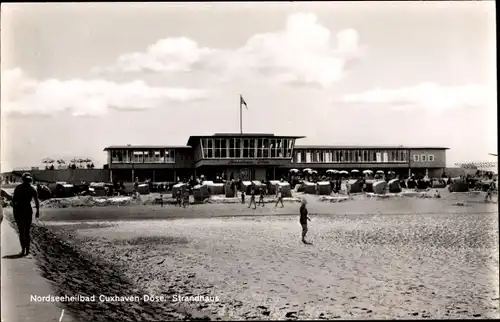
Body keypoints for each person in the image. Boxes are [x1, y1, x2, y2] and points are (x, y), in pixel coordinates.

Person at [12, 173, 40, 256]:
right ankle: (27, 251)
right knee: (27, 231)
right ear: (30, 180)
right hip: (28, 211)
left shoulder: (18, 188)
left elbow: (14, 201)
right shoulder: (32, 189)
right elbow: (36, 201)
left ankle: (23, 250)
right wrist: (37, 211)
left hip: (19, 211)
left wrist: (14, 212)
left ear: (22, 179)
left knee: (21, 231)